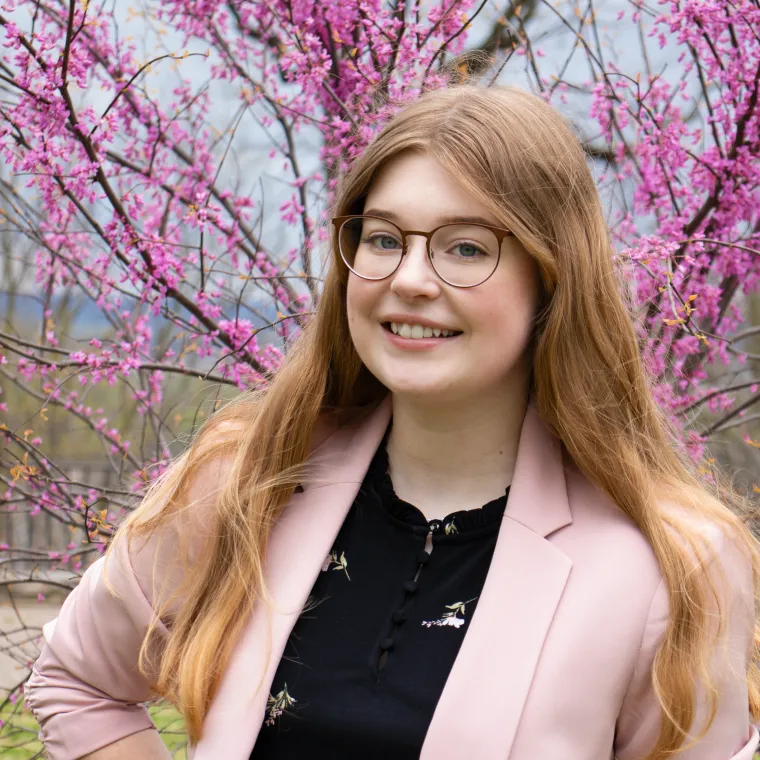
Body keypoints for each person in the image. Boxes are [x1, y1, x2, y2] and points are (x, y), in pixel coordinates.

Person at [24, 84, 759, 760]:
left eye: (465, 248)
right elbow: (77, 683)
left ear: (552, 279)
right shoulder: (245, 483)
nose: (409, 279)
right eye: (383, 239)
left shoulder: (674, 571)